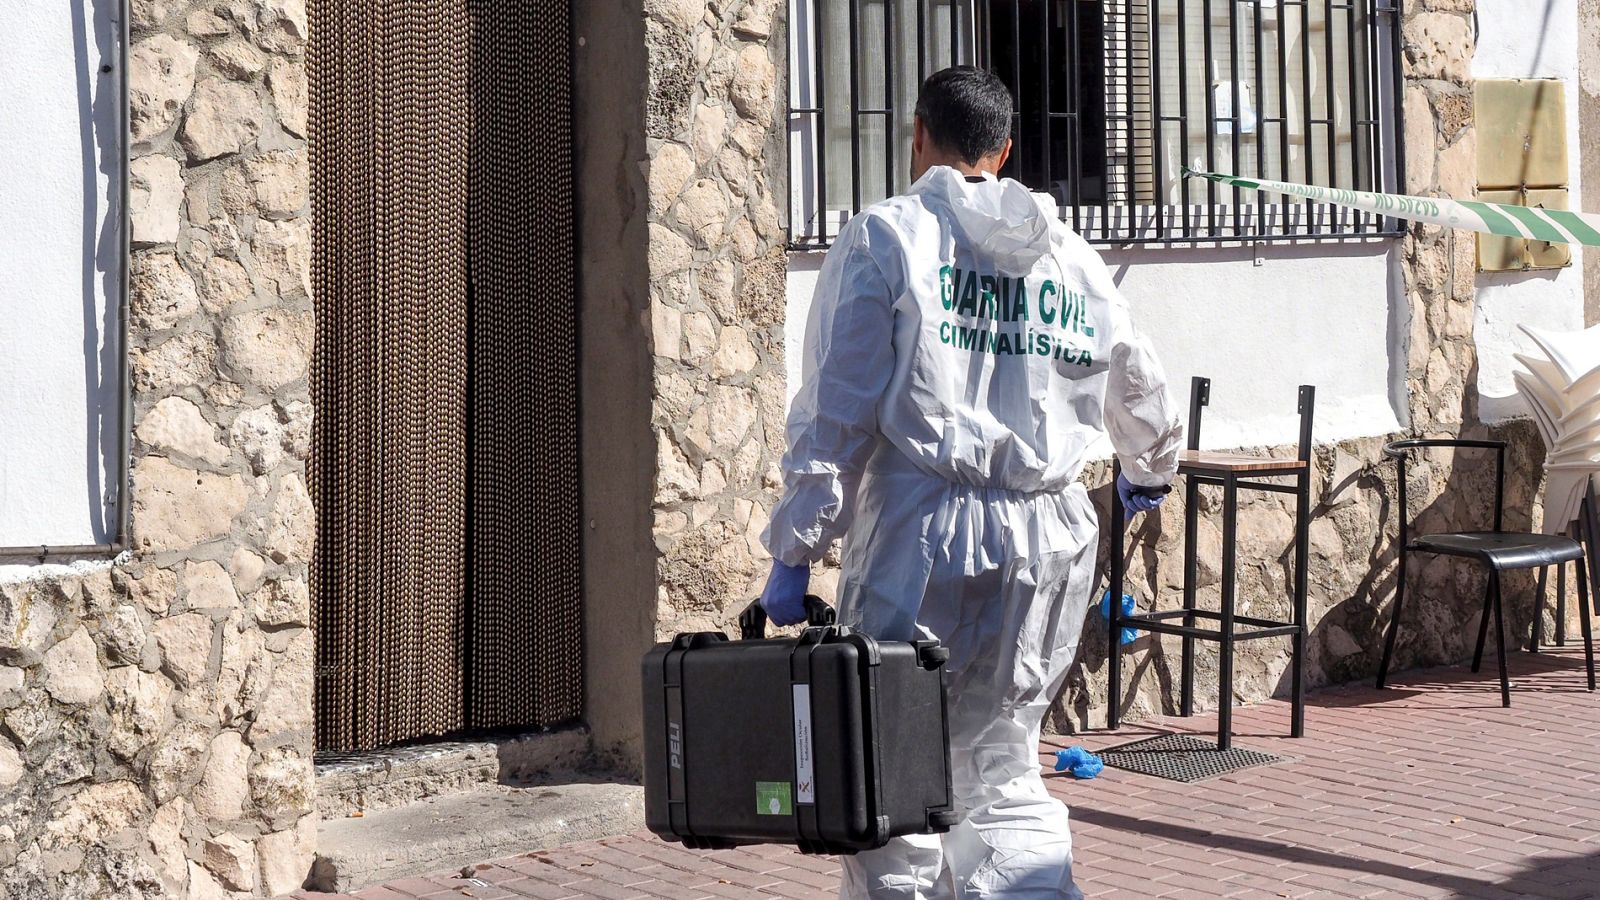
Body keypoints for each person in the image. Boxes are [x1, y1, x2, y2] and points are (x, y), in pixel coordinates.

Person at [760, 66, 1183, 899]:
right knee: (1005, 763)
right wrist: (1149, 471)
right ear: (1006, 150)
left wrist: (795, 552)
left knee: (892, 772)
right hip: (1046, 542)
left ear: (918, 134)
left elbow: (838, 410)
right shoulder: (1069, 255)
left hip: (923, 538)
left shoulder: (888, 237)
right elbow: (1137, 380)